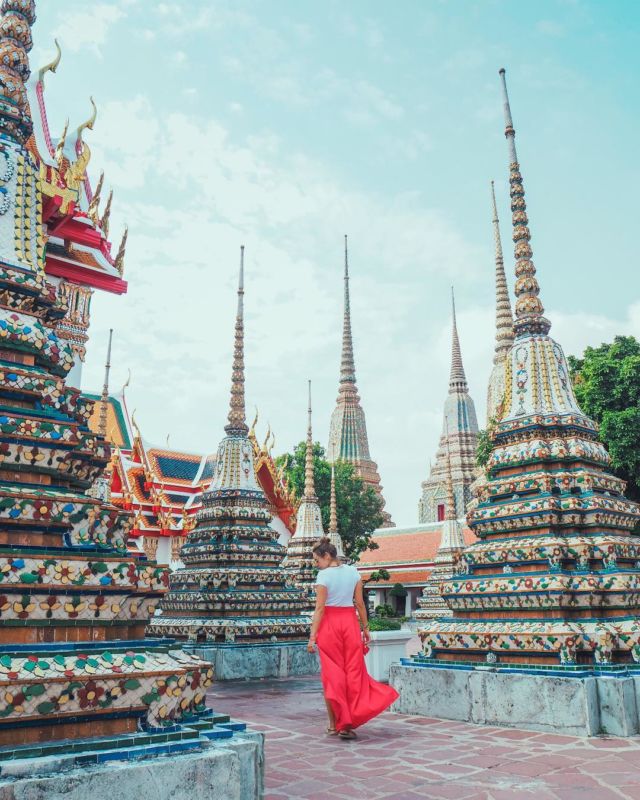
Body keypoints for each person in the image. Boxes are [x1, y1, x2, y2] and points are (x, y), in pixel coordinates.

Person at [307, 537, 399, 739]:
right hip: (350, 624)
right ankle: (346, 724)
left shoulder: (323, 577)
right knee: (354, 673)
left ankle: (335, 725)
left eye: (317, 560)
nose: (316, 565)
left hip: (330, 625)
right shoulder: (353, 572)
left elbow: (320, 609)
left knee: (333, 676)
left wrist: (312, 636)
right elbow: (360, 603)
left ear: (327, 555)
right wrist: (365, 628)